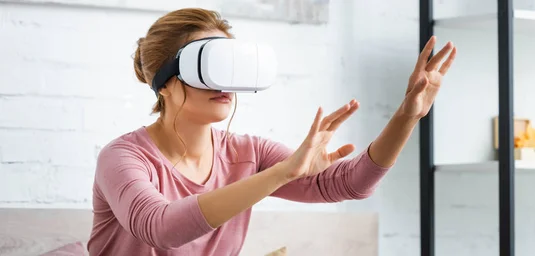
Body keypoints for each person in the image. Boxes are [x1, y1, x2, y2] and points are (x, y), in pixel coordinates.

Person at [86, 7, 457, 256]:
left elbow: (348, 184)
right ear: (163, 83)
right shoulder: (123, 158)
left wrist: (408, 116)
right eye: (208, 66)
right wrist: (283, 173)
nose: (223, 84)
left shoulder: (249, 153)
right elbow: (161, 227)